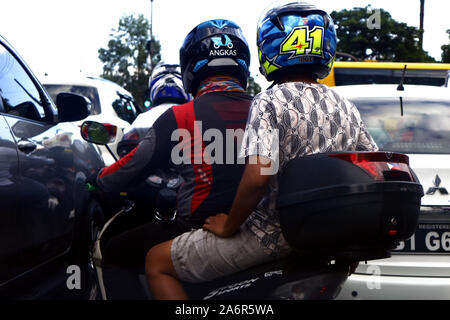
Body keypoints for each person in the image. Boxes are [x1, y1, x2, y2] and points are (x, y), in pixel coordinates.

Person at [146, 1, 379, 300]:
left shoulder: (269, 101)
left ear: (270, 48)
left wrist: (228, 225)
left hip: (269, 236)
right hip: (327, 236)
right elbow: (368, 169)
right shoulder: (345, 106)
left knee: (156, 261)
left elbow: (258, 176)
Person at [95, 19, 254, 299]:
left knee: (115, 252)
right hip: (259, 229)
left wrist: (98, 178)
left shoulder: (179, 116)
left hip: (196, 227)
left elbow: (132, 167)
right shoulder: (264, 110)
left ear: (190, 67)